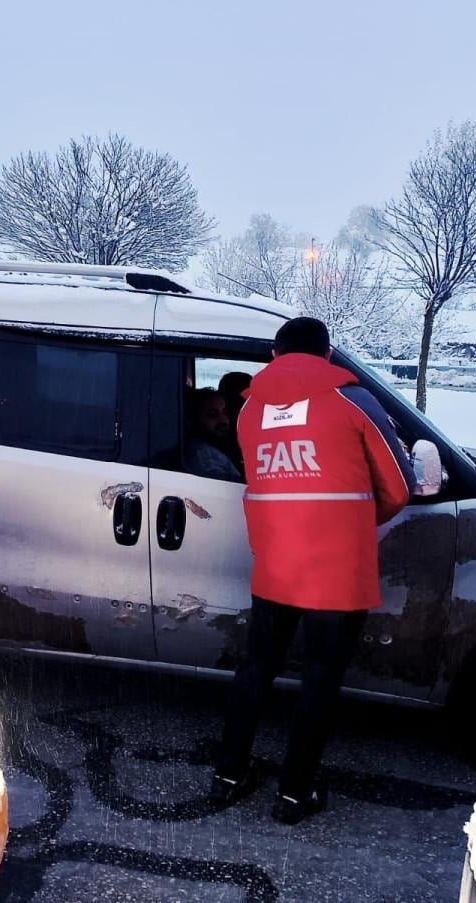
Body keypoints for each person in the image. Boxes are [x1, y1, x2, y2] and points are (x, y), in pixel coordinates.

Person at [212, 316, 415, 825]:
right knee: (319, 680)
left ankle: (228, 776)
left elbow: (266, 483)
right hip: (337, 572)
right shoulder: (353, 400)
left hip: (275, 565)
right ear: (327, 355)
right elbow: (399, 486)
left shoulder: (249, 410)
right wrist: (351, 521)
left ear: (274, 356)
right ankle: (293, 795)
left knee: (256, 669)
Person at [183, 387, 240, 481]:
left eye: (225, 412)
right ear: (194, 420)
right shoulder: (205, 456)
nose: (224, 420)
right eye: (213, 415)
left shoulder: (216, 449)